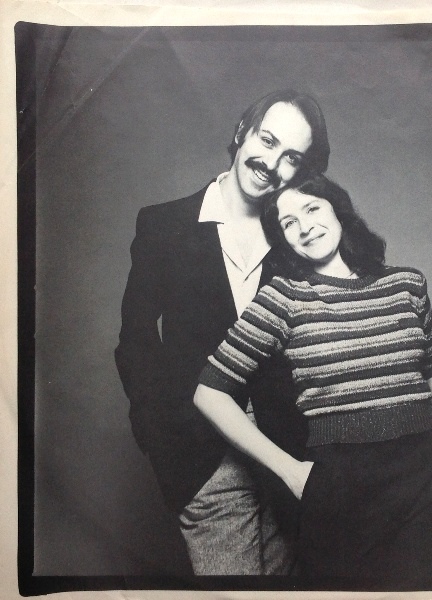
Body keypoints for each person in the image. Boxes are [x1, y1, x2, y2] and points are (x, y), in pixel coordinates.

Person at [194, 174, 432, 584]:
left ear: (338, 210)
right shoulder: (283, 297)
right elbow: (209, 393)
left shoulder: (406, 284)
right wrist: (290, 471)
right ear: (282, 238)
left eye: (312, 208)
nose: (305, 227)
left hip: (426, 475)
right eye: (289, 223)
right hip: (338, 485)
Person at [114, 90, 330, 575]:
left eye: (291, 157)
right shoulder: (165, 225)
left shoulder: (294, 238)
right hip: (203, 459)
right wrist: (165, 446)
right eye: (267, 141)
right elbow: (135, 343)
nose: (271, 163)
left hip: (285, 459)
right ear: (241, 132)